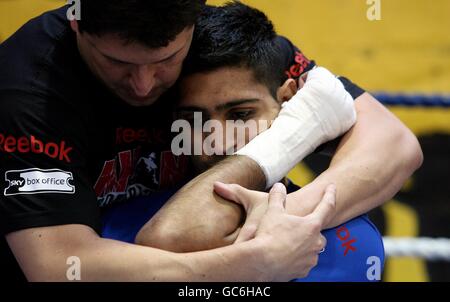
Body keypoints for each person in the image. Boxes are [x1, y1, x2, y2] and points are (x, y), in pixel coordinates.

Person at [0, 1, 422, 282]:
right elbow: (58, 265)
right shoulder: (30, 89)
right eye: (117, 62)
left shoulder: (216, 41)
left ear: (192, 23)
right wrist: (245, 263)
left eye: (166, 60)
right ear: (77, 23)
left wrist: (283, 220)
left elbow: (393, 143)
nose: (145, 85)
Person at [102, 2, 385, 282]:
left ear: (288, 100)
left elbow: (396, 145)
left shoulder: (351, 244)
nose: (219, 142)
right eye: (193, 119)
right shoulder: (116, 231)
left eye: (241, 114)